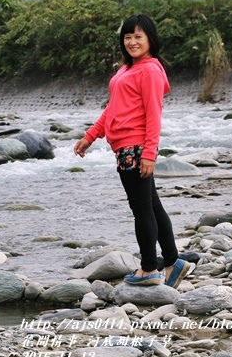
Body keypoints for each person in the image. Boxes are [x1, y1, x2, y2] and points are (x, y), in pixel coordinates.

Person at [73, 14, 192, 288]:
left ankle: (149, 267)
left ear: (151, 39)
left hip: (135, 147)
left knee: (141, 210)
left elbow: (154, 113)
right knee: (152, 205)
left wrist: (150, 153)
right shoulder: (129, 68)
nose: (132, 41)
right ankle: (173, 262)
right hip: (126, 145)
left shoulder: (149, 70)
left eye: (138, 36)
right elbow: (113, 107)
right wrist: (90, 136)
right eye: (127, 37)